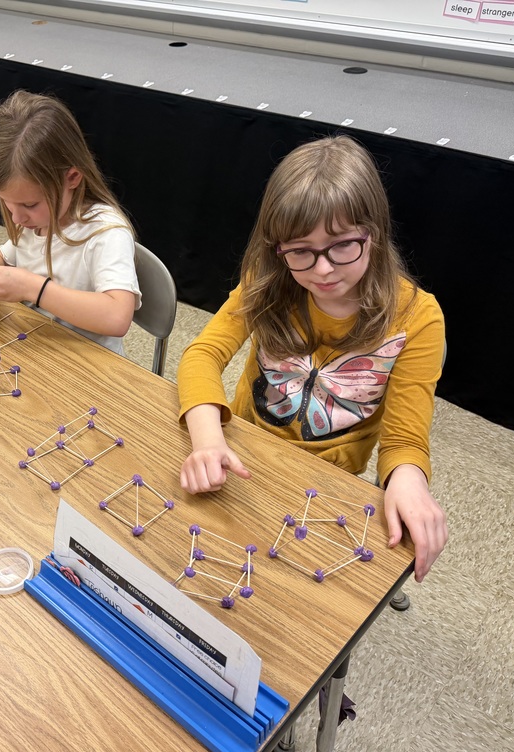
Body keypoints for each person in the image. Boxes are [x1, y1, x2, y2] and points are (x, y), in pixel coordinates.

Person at [177, 135, 447, 582]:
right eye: (300, 250)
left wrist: (408, 479)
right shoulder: (267, 280)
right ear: (276, 247)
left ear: (373, 234)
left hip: (327, 482)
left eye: (342, 245)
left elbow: (404, 441)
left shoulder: (417, 316)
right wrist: (207, 440)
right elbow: (202, 355)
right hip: (244, 451)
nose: (322, 269)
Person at [0, 90, 139, 355]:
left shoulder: (106, 233)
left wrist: (33, 288)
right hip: (38, 346)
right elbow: (7, 257)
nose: (16, 218)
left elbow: (117, 317)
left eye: (29, 205)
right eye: (7, 202)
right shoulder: (36, 219)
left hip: (91, 365)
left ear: (72, 178)